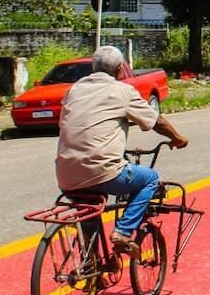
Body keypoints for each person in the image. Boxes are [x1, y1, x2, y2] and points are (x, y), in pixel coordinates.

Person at [55, 45, 188, 259]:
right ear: (119, 69)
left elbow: (66, 124)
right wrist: (177, 138)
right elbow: (156, 120)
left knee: (90, 210)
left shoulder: (74, 90)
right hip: (103, 171)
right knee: (150, 179)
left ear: (93, 67)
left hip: (65, 173)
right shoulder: (122, 91)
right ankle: (123, 232)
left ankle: (92, 267)